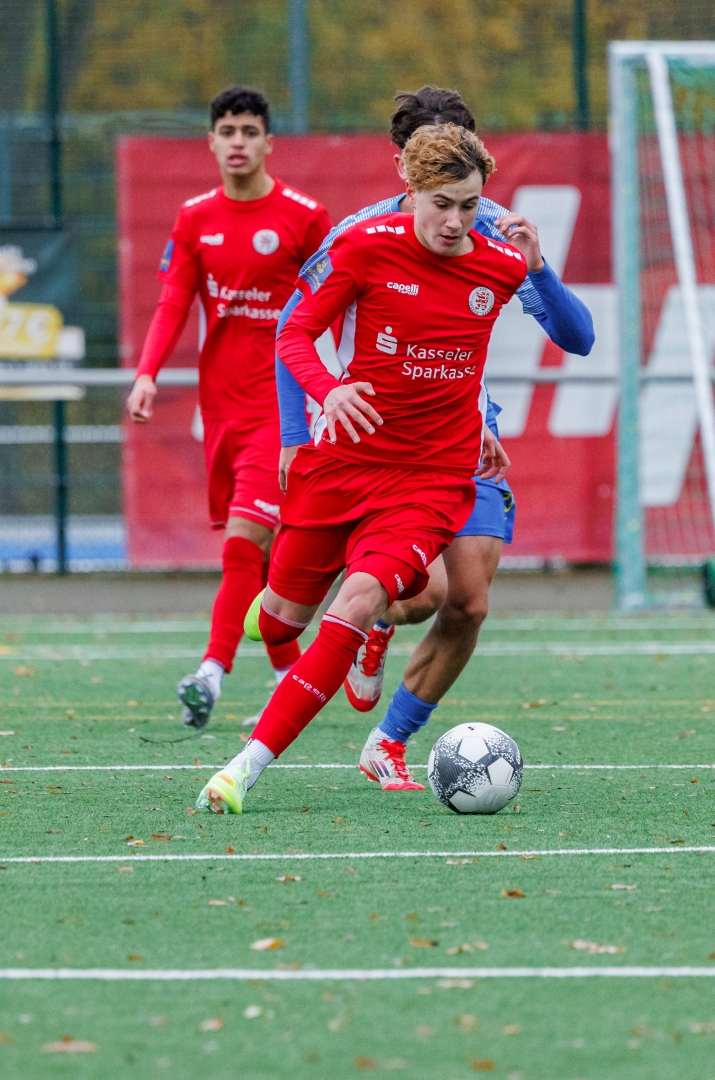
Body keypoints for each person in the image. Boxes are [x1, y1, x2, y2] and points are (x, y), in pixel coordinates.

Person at [195, 122, 532, 814]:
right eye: (441, 203)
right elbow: (294, 332)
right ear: (411, 191)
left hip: (430, 481)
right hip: (343, 466)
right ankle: (277, 608)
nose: (455, 221)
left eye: (469, 205)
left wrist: (480, 420)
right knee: (283, 622)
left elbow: (472, 353)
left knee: (358, 601)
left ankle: (242, 769)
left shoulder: (503, 266)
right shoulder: (363, 245)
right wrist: (328, 391)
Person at [273, 86, 594, 789]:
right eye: (430, 153)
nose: (454, 197)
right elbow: (291, 331)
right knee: (418, 595)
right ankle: (370, 620)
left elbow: (578, 338)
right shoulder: (359, 234)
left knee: (468, 602)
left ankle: (388, 741)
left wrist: (540, 268)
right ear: (404, 164)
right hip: (375, 449)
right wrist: (296, 433)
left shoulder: (497, 232)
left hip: (463, 445)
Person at [126, 86, 331, 729]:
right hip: (221, 411)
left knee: (244, 544)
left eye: (249, 131)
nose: (238, 141)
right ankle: (291, 679)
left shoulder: (305, 217)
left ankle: (210, 674)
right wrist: (147, 374)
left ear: (269, 143)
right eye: (227, 131)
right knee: (264, 558)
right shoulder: (194, 218)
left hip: (282, 410)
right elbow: (174, 302)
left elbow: (338, 305)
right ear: (211, 142)